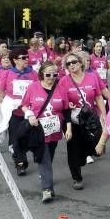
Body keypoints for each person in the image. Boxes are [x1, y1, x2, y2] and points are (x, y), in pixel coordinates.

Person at [56, 51, 106, 190]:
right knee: (73, 148)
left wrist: (104, 114)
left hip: (88, 118)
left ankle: (83, 157)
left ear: (80, 63)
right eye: (68, 64)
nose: (71, 65)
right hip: (71, 120)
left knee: (89, 144)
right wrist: (67, 104)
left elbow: (98, 97)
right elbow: (59, 100)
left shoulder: (92, 77)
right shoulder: (64, 81)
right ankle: (77, 178)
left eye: (74, 62)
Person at [20, 60, 68, 203]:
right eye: (48, 74)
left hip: (54, 130)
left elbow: (66, 110)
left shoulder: (61, 89)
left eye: (55, 74)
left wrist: (68, 128)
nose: (51, 77)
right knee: (44, 156)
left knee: (49, 155)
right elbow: (24, 105)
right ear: (41, 74)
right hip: (39, 128)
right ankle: (47, 189)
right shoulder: (33, 87)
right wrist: (30, 115)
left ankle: (44, 172)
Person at [0, 47, 39, 175]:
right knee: (16, 136)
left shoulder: (33, 73)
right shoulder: (7, 74)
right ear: (15, 60)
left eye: (27, 57)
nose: (26, 60)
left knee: (30, 136)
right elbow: (0, 93)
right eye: (23, 58)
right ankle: (20, 163)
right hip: (14, 112)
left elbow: (39, 90)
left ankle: (27, 152)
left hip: (30, 111)